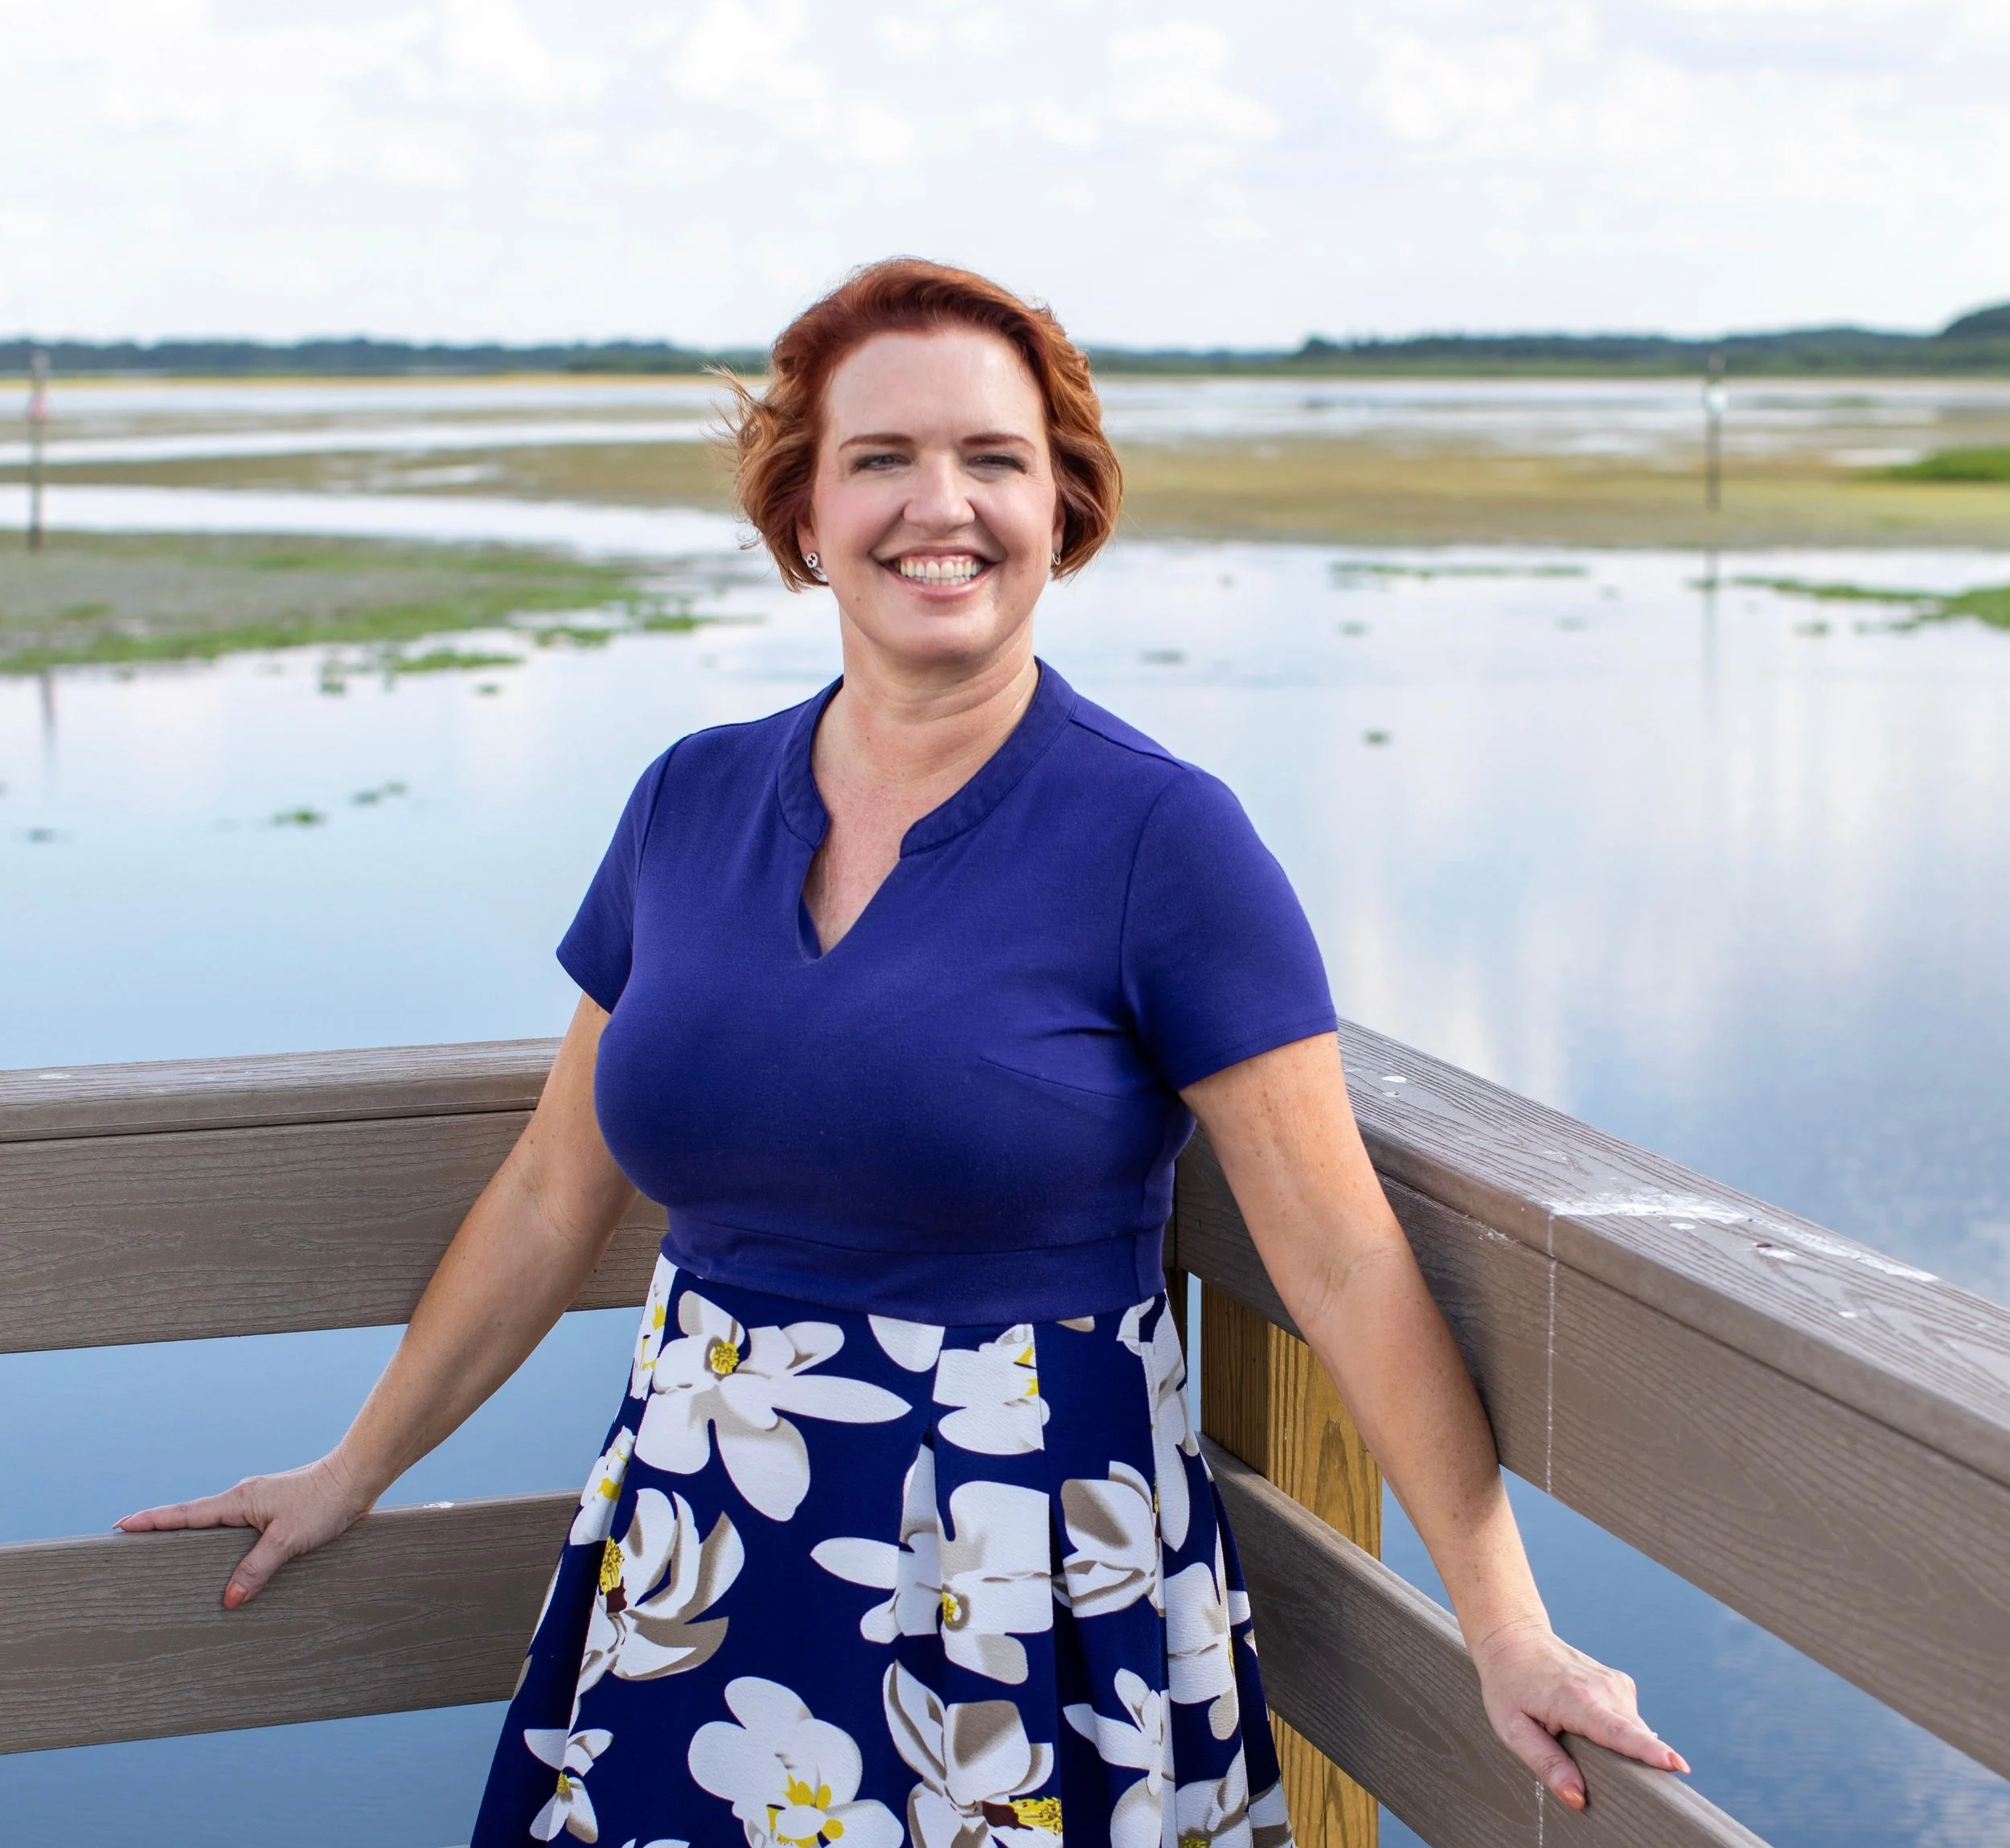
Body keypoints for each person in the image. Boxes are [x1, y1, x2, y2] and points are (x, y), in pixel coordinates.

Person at [121, 258, 1686, 1846]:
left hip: (1023, 1577)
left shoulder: (1162, 837)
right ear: (801, 512)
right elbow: (547, 1192)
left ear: (1062, 511)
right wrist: (351, 1467)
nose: (939, 505)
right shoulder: (687, 800)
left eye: (994, 459)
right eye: (879, 458)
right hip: (701, 1548)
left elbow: (1341, 1258)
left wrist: (1500, 1623)